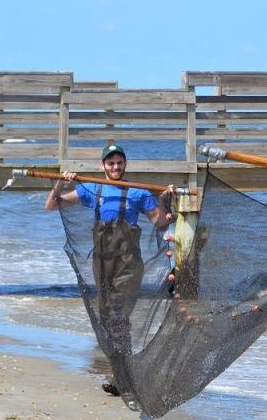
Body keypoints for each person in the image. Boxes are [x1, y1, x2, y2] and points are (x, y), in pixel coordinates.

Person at [45, 144, 173, 398]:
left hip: (128, 264)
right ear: (103, 166)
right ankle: (124, 372)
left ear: (125, 165)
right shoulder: (92, 189)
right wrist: (61, 183)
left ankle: (120, 376)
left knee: (117, 315)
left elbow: (159, 223)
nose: (116, 167)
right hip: (102, 263)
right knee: (107, 317)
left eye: (120, 163)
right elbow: (52, 205)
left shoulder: (138, 193)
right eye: (111, 163)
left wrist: (165, 199)